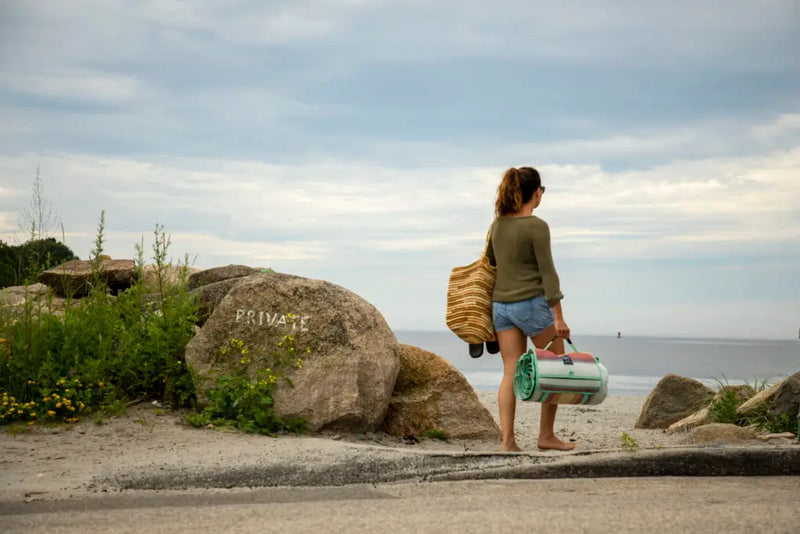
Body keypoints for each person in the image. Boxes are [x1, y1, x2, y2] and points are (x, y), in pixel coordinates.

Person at [485, 166, 574, 452]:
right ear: (536, 192)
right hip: (531, 306)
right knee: (555, 366)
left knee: (511, 371)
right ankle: (546, 436)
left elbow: (490, 261)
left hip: (501, 307)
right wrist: (558, 316)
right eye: (542, 191)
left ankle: (508, 442)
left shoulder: (497, 225)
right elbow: (549, 274)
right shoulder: (537, 226)